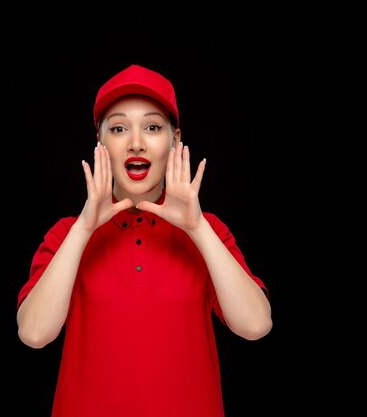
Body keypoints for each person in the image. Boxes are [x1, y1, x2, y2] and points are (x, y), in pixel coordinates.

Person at [16, 64, 272, 417]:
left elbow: (256, 326)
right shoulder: (67, 234)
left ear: (175, 140)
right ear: (101, 144)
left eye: (153, 127)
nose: (136, 142)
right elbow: (33, 334)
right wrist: (84, 228)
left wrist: (197, 228)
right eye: (119, 128)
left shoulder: (208, 230)